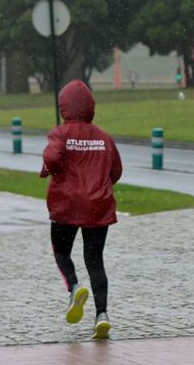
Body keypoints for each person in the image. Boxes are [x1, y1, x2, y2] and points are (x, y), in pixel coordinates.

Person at [40, 79, 122, 340]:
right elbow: (116, 171)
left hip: (67, 203)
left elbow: (52, 158)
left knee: (61, 251)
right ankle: (102, 315)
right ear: (90, 106)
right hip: (98, 205)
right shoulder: (103, 137)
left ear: (63, 105)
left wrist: (51, 170)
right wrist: (99, 185)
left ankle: (74, 287)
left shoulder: (60, 133)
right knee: (95, 260)